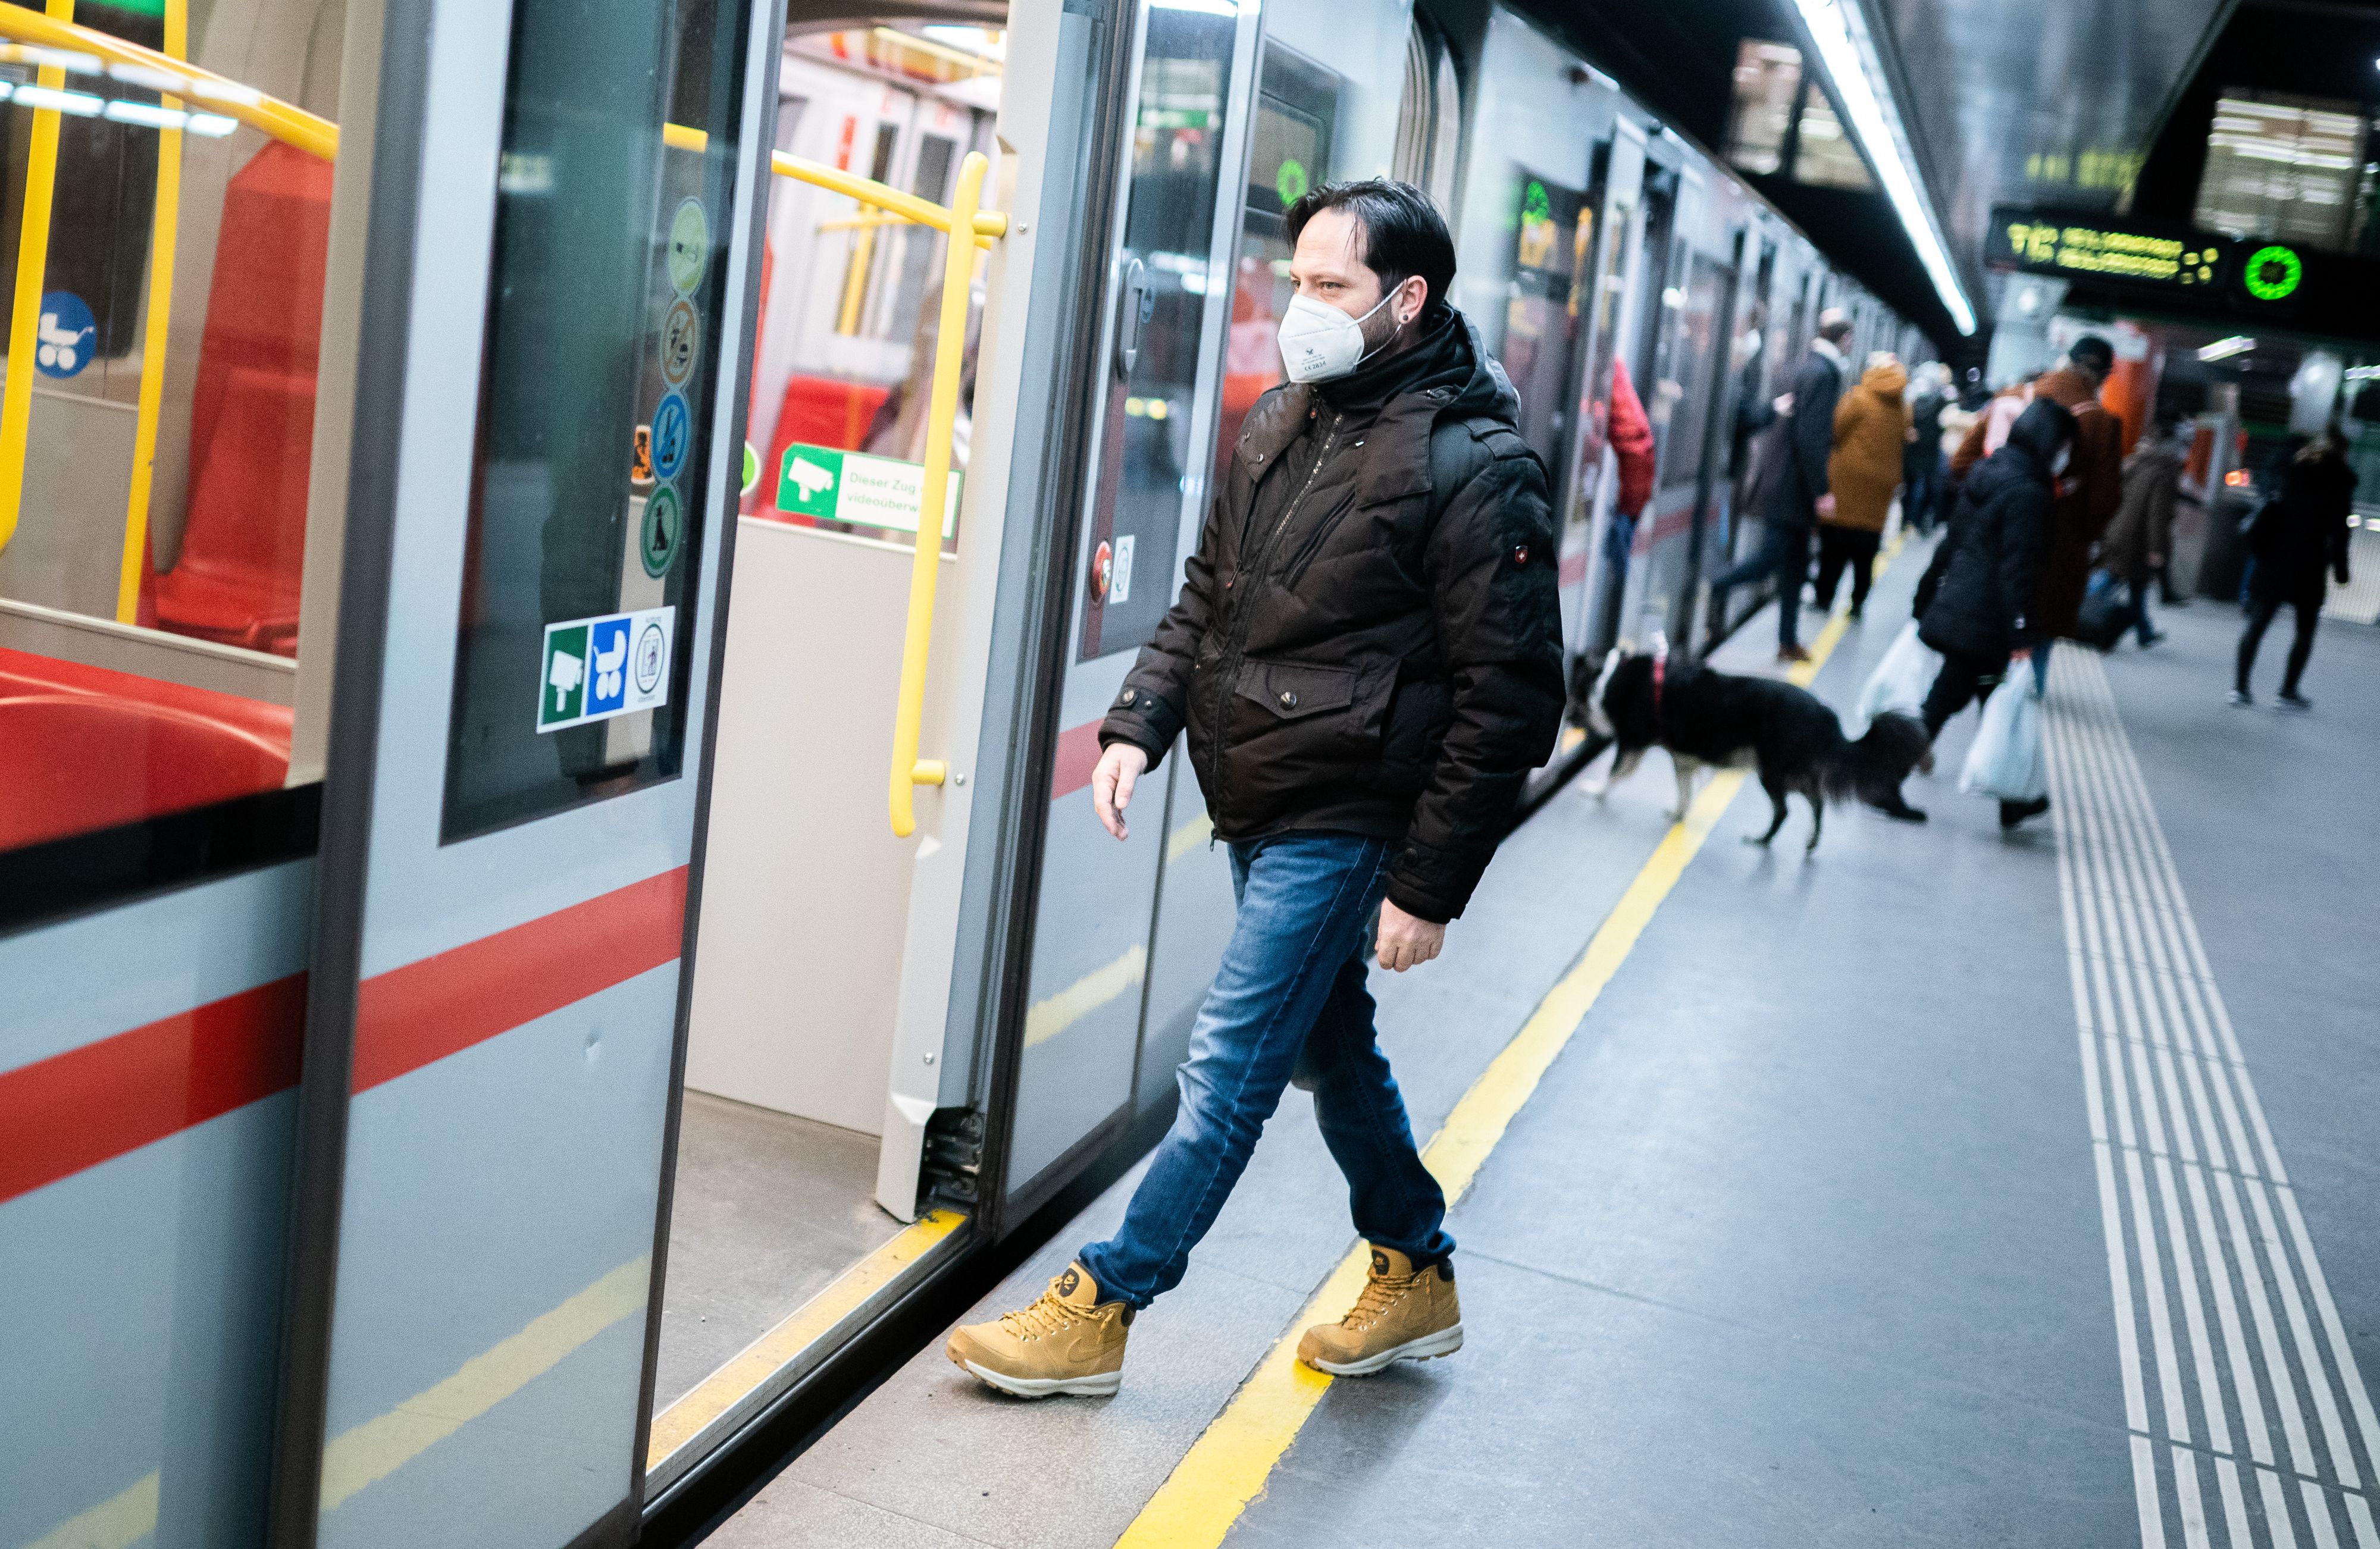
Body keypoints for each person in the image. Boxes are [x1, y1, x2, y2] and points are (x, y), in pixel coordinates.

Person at [947, 180, 1562, 1397]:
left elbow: (1510, 697)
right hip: (1262, 793)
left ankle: (1103, 1305)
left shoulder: (1476, 464)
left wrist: (1426, 885)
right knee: (1329, 1047)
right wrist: (1138, 723)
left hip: (1351, 811)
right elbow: (1209, 598)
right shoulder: (1284, 418)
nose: (1300, 308)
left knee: (1228, 1063)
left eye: (1331, 287)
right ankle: (1416, 1267)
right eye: (1296, 282)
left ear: (1406, 299)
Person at [1915, 397, 2077, 829]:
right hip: (1985, 620)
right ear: (2050, 443)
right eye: (2064, 446)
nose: (2065, 456)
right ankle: (1885, 774)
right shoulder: (2030, 493)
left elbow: (1953, 540)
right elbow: (2018, 568)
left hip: (1965, 607)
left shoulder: (1988, 471)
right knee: (1955, 696)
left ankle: (2012, 799)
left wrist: (1927, 592)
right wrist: (2022, 631)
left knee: (1978, 694)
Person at [1952, 336, 2124, 689]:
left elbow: (1962, 464)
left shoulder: (2014, 396)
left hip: (1989, 547)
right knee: (2035, 648)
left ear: (2067, 360)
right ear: (2105, 375)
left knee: (1979, 649)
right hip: (2055, 559)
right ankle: (2021, 698)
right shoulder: (2102, 424)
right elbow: (2103, 504)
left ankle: (1976, 689)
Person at [1711, 308, 1855, 663]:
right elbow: (1811, 438)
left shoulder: (1798, 366)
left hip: (1781, 481)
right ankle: (1719, 584)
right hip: (1793, 488)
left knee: (1795, 564)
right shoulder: (1825, 375)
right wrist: (1822, 490)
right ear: (1844, 339)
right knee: (1772, 559)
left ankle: (1787, 641)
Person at [2233, 423, 2355, 709]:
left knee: (2259, 622)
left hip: (2276, 557)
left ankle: (2240, 688)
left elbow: (2272, 507)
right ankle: (2287, 692)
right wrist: (2341, 569)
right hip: (2310, 562)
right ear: (2342, 451)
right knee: (2305, 630)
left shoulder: (2292, 469)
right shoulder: (2340, 481)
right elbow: (2340, 531)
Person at [1816, 352, 1911, 617]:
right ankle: (1858, 602)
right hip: (1880, 486)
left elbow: (1836, 430)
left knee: (1834, 546)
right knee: (1866, 549)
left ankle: (1824, 597)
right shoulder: (1904, 408)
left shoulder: (1859, 397)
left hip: (1847, 479)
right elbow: (1904, 437)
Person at [2100, 416, 2188, 648]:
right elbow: (2157, 515)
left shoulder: (2135, 464)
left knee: (2135, 587)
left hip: (2119, 532)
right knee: (2115, 582)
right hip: (2136, 541)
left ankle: (2144, 632)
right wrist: (2157, 548)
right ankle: (2085, 618)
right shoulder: (2164, 473)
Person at [1903, 361, 1950, 536]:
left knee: (1913, 488)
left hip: (1916, 449)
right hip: (1927, 451)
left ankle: (1909, 521)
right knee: (1920, 488)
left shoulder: (1913, 397)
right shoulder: (1941, 400)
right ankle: (1914, 522)